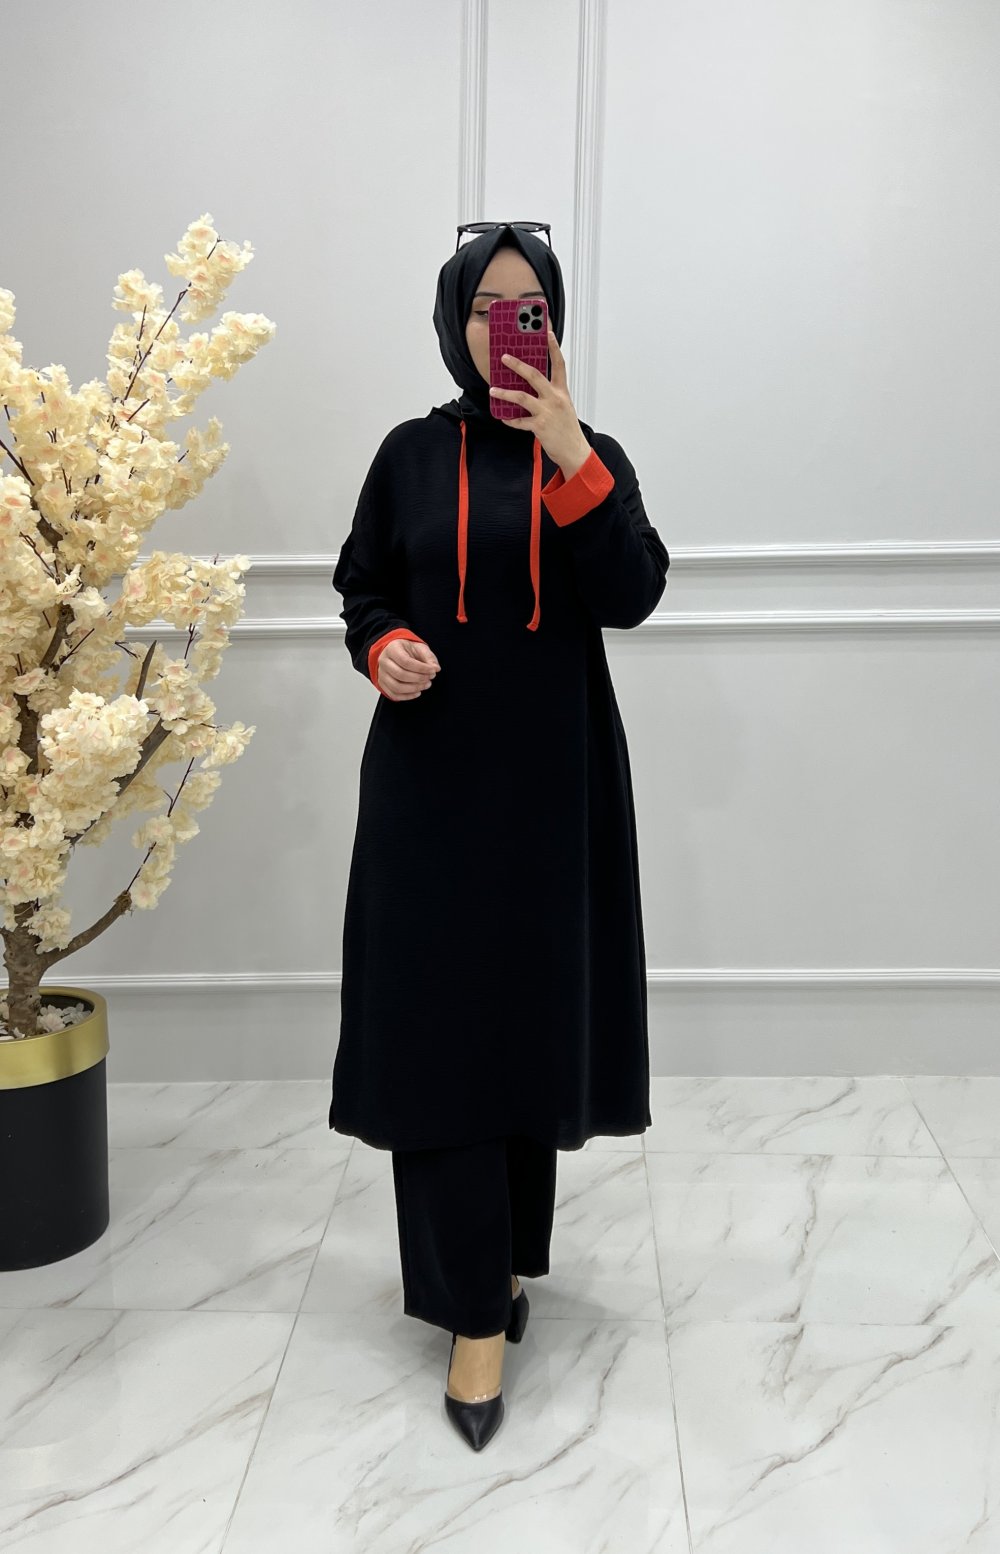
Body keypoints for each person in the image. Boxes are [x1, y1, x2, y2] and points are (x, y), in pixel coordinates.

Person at [329, 221, 670, 1449]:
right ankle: (474, 1313)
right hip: (427, 793)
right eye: (486, 306)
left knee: (526, 1029)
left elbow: (631, 591)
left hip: (554, 796)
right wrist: (382, 644)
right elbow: (361, 584)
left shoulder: (594, 453)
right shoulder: (409, 455)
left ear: (554, 324)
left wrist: (568, 450)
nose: (504, 328)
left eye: (528, 308)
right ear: (454, 319)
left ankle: (508, 1262)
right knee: (439, 1041)